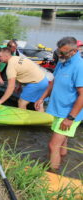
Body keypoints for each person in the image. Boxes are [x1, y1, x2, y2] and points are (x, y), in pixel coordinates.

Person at [35, 37, 83, 171]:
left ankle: (52, 174)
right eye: (58, 52)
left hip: (69, 113)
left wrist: (70, 118)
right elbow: (53, 82)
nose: (60, 55)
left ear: (74, 51)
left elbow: (82, 95)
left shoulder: (79, 66)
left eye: (63, 53)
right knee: (62, 144)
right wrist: (42, 98)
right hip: (59, 109)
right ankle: (61, 165)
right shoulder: (63, 61)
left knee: (53, 146)